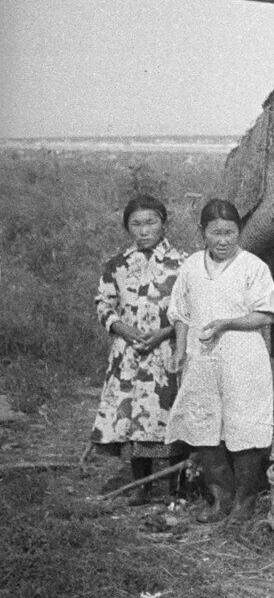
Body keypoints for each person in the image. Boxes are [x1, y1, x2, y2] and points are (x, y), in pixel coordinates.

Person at [166, 199, 274, 524]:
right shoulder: (190, 266)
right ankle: (222, 498)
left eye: (230, 232)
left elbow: (265, 313)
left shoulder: (253, 267)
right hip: (201, 358)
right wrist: (178, 351)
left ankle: (245, 503)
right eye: (215, 233)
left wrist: (227, 323)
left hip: (243, 358)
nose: (223, 240)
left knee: (244, 426)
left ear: (238, 232)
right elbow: (180, 313)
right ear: (203, 232)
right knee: (204, 428)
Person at [91, 194, 186, 505]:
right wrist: (125, 330)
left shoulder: (183, 263)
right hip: (129, 355)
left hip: (167, 351)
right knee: (134, 416)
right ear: (127, 228)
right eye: (136, 224)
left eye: (151, 222)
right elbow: (104, 305)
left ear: (163, 222)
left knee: (170, 414)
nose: (144, 230)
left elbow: (189, 309)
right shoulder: (116, 265)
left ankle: (176, 489)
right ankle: (142, 487)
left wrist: (163, 332)